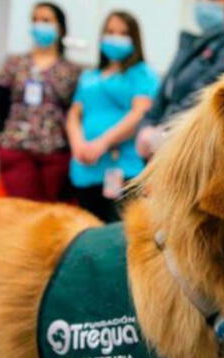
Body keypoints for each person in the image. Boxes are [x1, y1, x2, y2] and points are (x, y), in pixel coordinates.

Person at [135, 0, 224, 159]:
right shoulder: (194, 46)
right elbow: (163, 95)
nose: (204, 3)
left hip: (195, 151)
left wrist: (165, 132)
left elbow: (209, 93)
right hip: (163, 150)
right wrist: (145, 129)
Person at [66, 11, 159, 223]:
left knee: (116, 233)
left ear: (134, 38)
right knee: (86, 229)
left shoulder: (142, 74)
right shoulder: (90, 76)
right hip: (85, 166)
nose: (115, 38)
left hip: (122, 167)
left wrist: (102, 143)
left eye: (122, 33)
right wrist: (78, 145)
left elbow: (139, 113)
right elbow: (74, 114)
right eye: (109, 32)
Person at [0, 2, 81, 202]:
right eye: (35, 20)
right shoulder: (14, 63)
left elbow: (74, 112)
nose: (39, 25)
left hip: (55, 151)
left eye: (46, 20)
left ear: (60, 28)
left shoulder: (72, 70)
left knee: (49, 211)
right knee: (22, 209)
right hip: (16, 146)